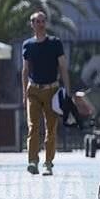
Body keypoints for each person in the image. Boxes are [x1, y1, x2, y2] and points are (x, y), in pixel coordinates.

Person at [21, 11, 71, 176]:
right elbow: (25, 70)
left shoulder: (55, 43)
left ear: (46, 23)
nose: (40, 24)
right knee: (33, 127)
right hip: (33, 89)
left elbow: (63, 68)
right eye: (37, 21)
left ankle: (48, 163)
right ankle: (32, 162)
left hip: (52, 90)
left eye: (43, 21)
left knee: (51, 128)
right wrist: (24, 93)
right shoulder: (27, 45)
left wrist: (67, 91)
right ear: (32, 24)